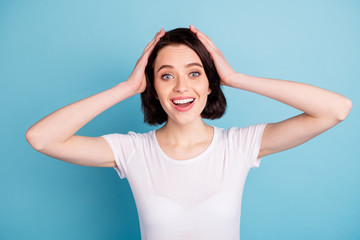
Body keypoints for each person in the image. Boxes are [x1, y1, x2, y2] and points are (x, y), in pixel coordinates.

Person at [25, 25, 352, 239]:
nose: (182, 87)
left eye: (194, 73)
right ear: (152, 87)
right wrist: (126, 87)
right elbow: (41, 138)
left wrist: (236, 78)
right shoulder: (132, 151)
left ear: (211, 82)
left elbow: (335, 109)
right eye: (166, 76)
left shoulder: (239, 146)